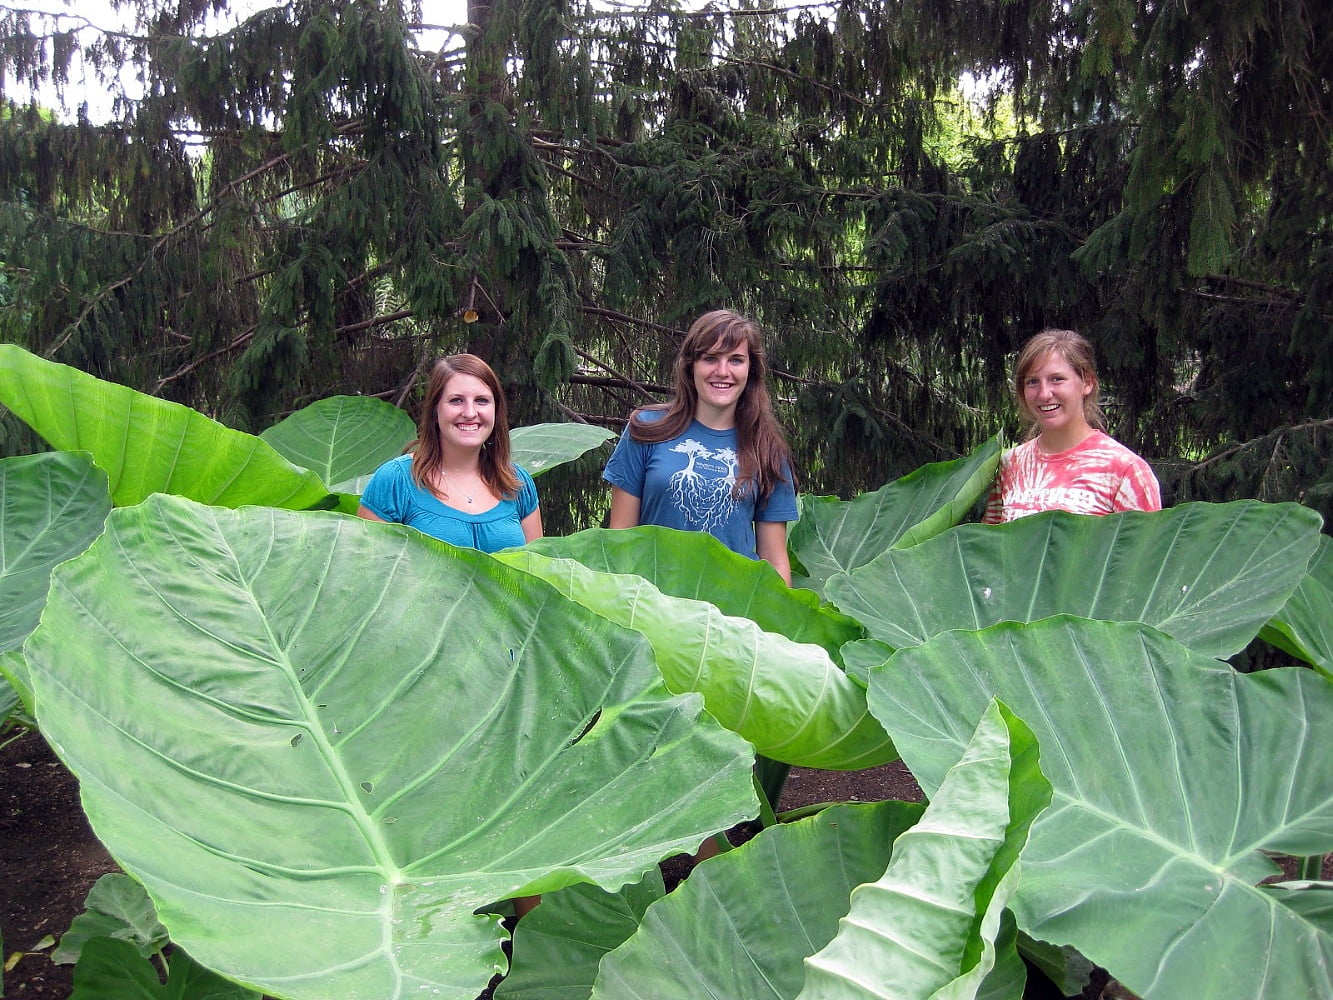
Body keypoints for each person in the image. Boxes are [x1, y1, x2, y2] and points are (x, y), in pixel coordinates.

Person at [603, 309, 798, 583]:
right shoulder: (646, 429)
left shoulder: (767, 449)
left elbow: (775, 561)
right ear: (690, 365)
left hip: (733, 614)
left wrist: (777, 622)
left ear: (750, 370)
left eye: (736, 360)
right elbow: (619, 540)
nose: (723, 372)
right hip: (653, 607)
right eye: (710, 358)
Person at [358, 353, 543, 551]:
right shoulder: (396, 481)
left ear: (496, 411)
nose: (470, 413)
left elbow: (536, 573)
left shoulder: (517, 483)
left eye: (482, 400)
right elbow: (370, 574)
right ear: (435, 411)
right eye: (456, 401)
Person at [983, 329, 1161, 523]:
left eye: (1056, 379)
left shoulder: (1125, 470)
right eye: (1032, 382)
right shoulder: (1011, 464)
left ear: (1087, 383)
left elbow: (1144, 550)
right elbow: (992, 546)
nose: (1044, 394)